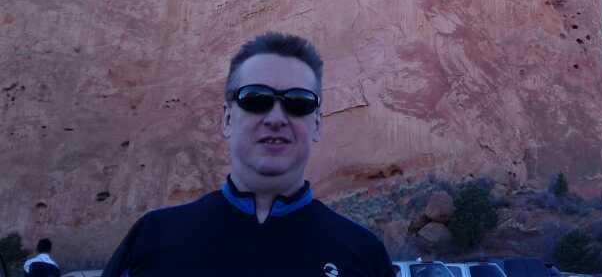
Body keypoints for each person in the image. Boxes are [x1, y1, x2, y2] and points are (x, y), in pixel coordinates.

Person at [102, 32, 394, 276]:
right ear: (228, 119)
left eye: (298, 102)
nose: (276, 118)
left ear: (317, 125)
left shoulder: (364, 255)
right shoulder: (152, 240)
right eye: (256, 99)